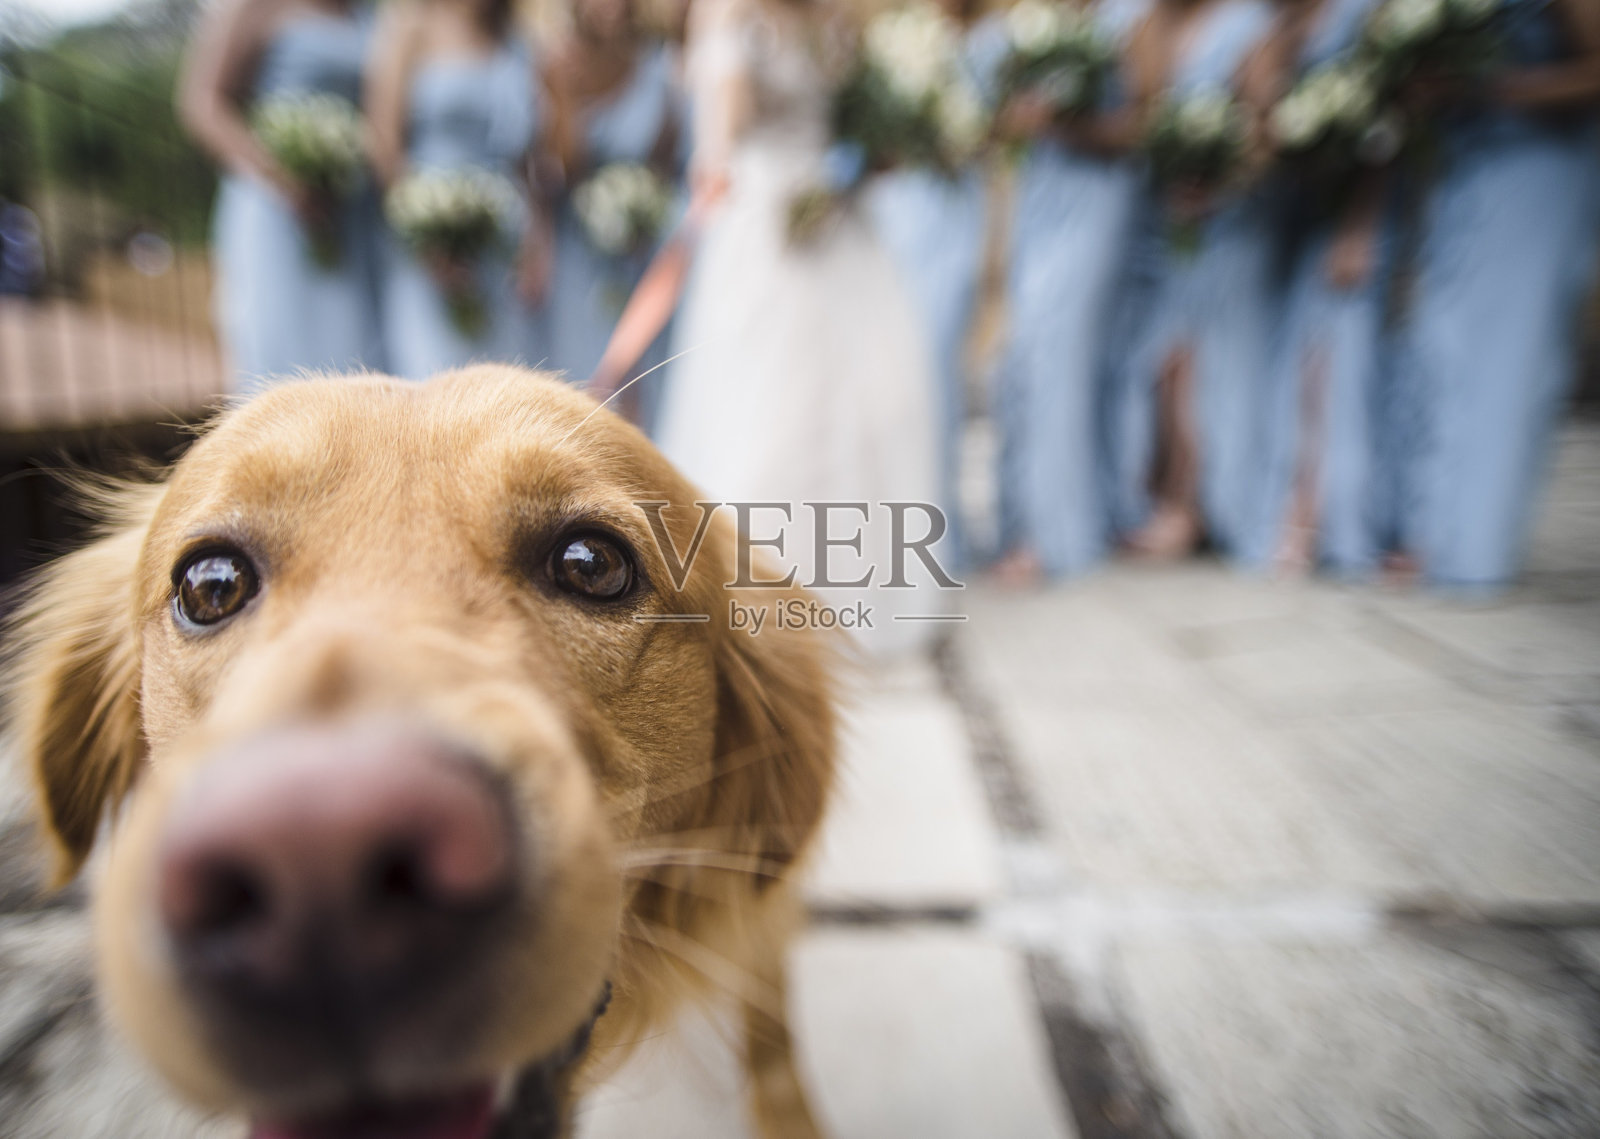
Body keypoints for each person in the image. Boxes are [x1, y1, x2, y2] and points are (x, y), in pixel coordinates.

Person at [654, 0, 952, 655]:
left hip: (840, 212)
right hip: (764, 217)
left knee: (875, 401)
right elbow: (720, 148)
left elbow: (870, 129)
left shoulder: (849, 18)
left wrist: (875, 148)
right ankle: (760, 596)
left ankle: (859, 592)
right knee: (771, 408)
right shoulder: (729, 12)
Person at [1387, 0, 1600, 592]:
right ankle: (1434, 532)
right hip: (1469, 162)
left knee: (1509, 356)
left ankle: (1473, 550)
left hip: (1540, 166)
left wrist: (1500, 91)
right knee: (1440, 344)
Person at [1106, 0, 1280, 560]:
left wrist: (1217, 186)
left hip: (1227, 226)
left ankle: (1191, 507)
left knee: (1199, 368)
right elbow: (1148, 114)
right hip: (1165, 222)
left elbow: (1264, 135)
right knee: (1159, 366)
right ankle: (1164, 494)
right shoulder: (1153, 21)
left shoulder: (1251, 26)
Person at [988, 0, 1152, 585]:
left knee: (1057, 361)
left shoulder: (1134, 18)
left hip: (1095, 204)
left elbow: (1141, 127)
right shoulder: (1035, 21)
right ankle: (1019, 524)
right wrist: (1022, 116)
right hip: (1042, 198)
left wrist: (1059, 121)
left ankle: (1052, 536)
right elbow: (1005, 122)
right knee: (1019, 364)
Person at [1246, 0, 1391, 576]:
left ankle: (1326, 517)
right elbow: (1265, 124)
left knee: (1332, 367)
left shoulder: (1361, 16)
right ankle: (1298, 508)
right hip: (1296, 213)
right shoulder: (1273, 30)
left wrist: (1359, 225)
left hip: (1354, 216)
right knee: (1296, 368)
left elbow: (1386, 129)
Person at [179, 0, 385, 391]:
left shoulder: (367, 13)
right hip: (277, 210)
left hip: (354, 214)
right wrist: (282, 176)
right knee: (284, 353)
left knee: (360, 356)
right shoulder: (255, 7)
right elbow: (203, 103)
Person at [864, 0, 1001, 576]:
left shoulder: (995, 38)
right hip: (891, 214)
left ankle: (942, 536)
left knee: (933, 371)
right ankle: (895, 531)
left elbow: (993, 134)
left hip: (950, 218)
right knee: (890, 378)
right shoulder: (890, 35)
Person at [366, 0, 547, 379]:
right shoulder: (410, 27)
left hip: (500, 244)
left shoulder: (514, 40)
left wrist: (535, 242)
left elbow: (526, 160)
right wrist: (428, 235)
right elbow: (384, 143)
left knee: (501, 380)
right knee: (430, 375)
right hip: (426, 239)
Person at [542, 0, 679, 388]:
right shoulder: (560, 62)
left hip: (642, 249)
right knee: (583, 375)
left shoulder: (657, 65)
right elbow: (564, 170)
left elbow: (665, 164)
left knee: (648, 377)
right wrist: (566, 100)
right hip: (580, 253)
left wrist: (642, 212)